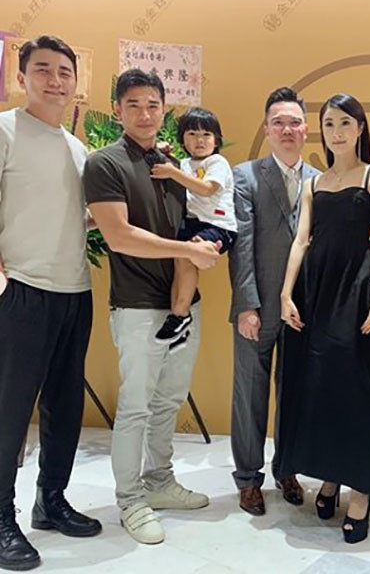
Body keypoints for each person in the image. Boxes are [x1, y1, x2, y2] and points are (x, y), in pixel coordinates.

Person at [84, 69, 221, 545]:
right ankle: (129, 499)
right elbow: (119, 236)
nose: (144, 113)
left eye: (153, 105)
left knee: (168, 400)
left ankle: (159, 481)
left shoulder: (171, 164)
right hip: (138, 305)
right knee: (136, 407)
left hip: (184, 304)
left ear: (164, 110)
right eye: (134, 105)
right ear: (117, 110)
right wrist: (188, 251)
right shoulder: (104, 163)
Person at [0, 35, 102, 572]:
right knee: (10, 410)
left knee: (64, 407)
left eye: (65, 71)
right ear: (22, 78)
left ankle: (51, 501)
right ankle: (1, 516)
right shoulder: (5, 131)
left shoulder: (77, 148)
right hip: (22, 290)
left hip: (74, 291)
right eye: (43, 69)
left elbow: (75, 217)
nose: (55, 80)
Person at [278, 93, 370, 544]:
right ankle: (330, 474)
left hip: (356, 288)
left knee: (357, 386)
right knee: (321, 386)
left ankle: (361, 487)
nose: (337, 132)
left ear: (360, 128)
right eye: (329, 124)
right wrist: (286, 293)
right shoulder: (313, 183)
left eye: (345, 123)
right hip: (316, 290)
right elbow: (301, 240)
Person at [228, 87, 320, 516]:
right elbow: (242, 246)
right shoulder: (245, 176)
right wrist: (246, 305)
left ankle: (288, 468)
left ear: (306, 130)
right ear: (266, 130)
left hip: (303, 309)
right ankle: (248, 479)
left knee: (295, 392)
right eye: (278, 122)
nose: (287, 129)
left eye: (294, 122)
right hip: (259, 305)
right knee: (249, 394)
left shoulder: (320, 179)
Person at [151, 107, 238, 347]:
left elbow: (207, 189)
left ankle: (181, 314)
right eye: (192, 134)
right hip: (191, 223)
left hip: (219, 225)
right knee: (179, 261)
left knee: (186, 254)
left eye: (206, 135)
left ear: (216, 140)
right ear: (183, 140)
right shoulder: (183, 164)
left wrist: (172, 172)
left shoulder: (217, 162)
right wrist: (163, 153)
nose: (200, 140)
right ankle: (177, 318)